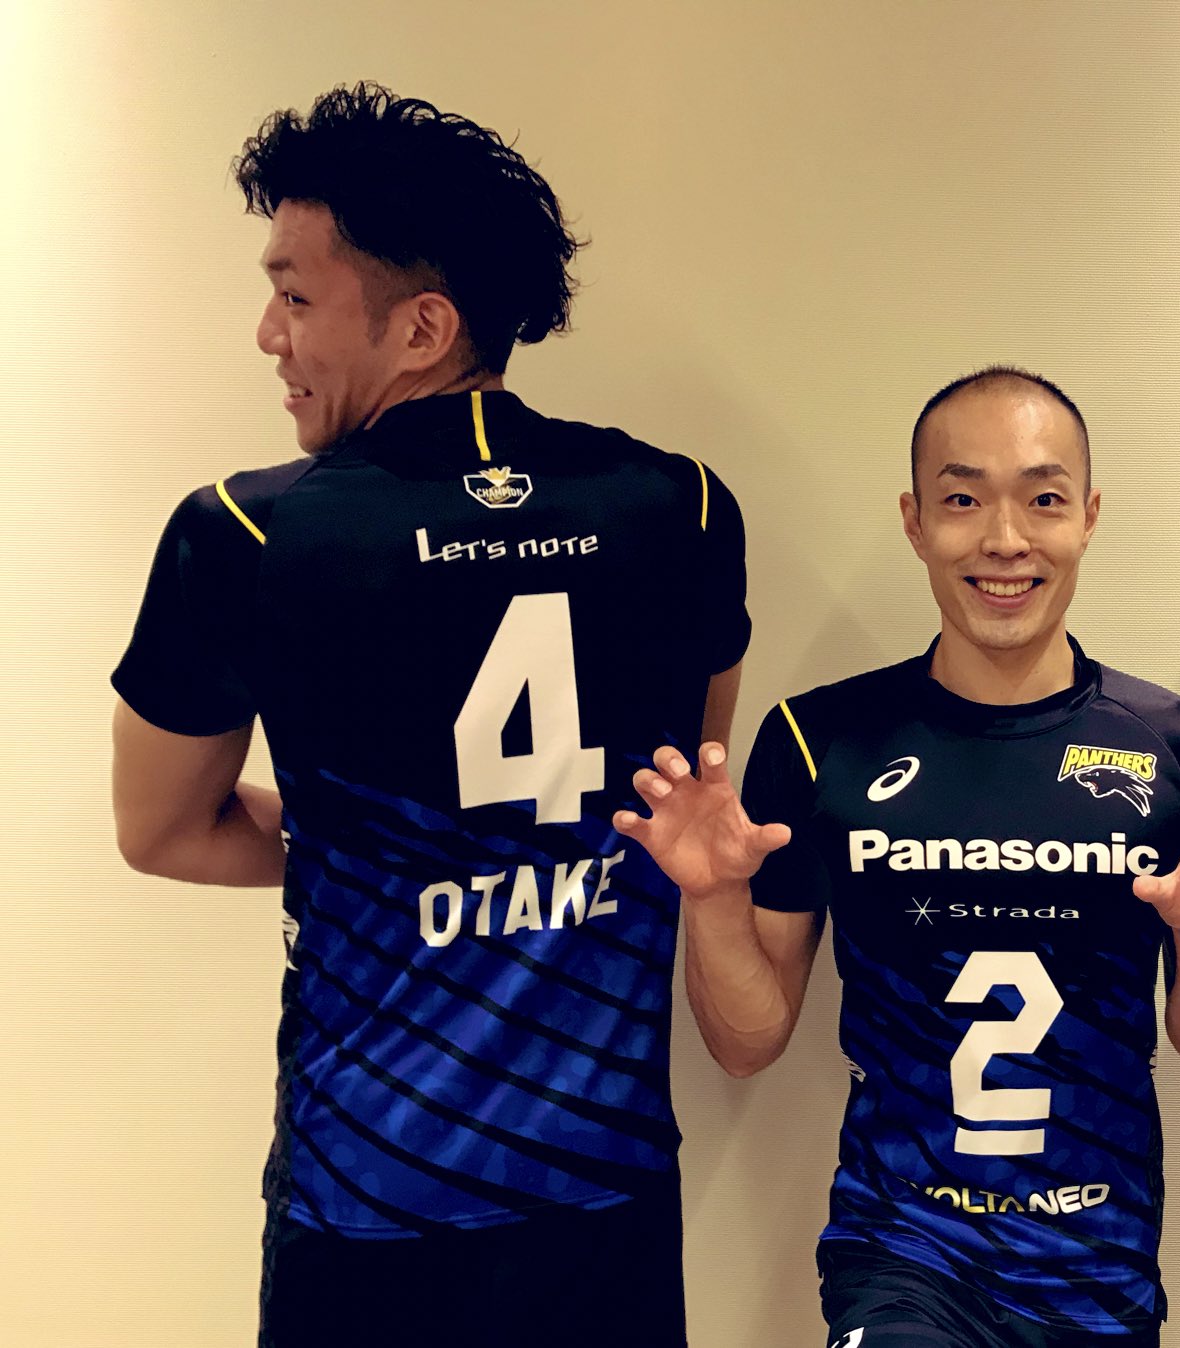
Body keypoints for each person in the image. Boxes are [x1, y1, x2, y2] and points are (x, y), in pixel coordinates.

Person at [110, 83, 748, 1347]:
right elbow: (678, 787)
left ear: (422, 328)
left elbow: (163, 829)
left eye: (296, 297)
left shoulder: (242, 532)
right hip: (603, 1185)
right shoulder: (679, 506)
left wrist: (380, 852)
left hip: (367, 1196)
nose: (266, 334)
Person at [617, 365, 1180, 1346]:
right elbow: (745, 1043)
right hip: (901, 1251)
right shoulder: (820, 741)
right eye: (963, 499)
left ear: (1088, 517)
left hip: (1095, 1266)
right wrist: (713, 899)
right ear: (914, 521)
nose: (1004, 538)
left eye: (1043, 499)